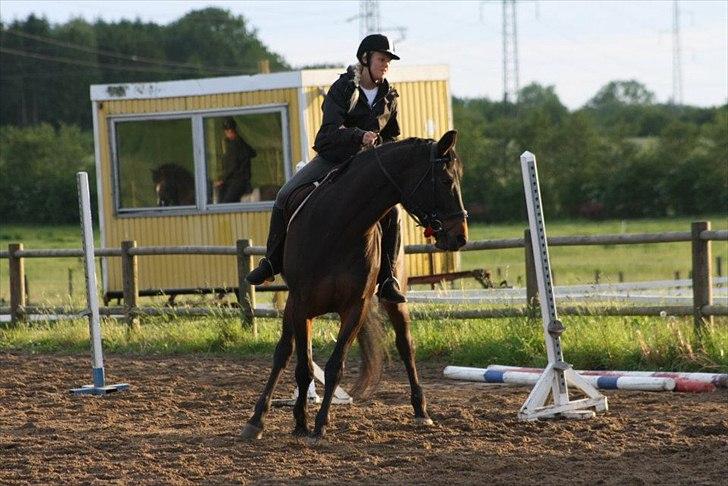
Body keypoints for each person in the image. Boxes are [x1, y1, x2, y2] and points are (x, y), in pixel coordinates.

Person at [246, 33, 407, 303]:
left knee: (394, 212)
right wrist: (359, 136)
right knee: (285, 194)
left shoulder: (390, 96)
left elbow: (392, 136)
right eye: (382, 59)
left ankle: (388, 278)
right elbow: (329, 131)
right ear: (365, 59)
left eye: (388, 60)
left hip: (366, 168)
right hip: (333, 158)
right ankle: (272, 262)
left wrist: (384, 149)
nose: (386, 64)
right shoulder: (343, 88)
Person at [215, 117, 257, 203]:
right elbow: (252, 153)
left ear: (229, 131)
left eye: (227, 131)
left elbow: (232, 166)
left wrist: (222, 179)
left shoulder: (235, 145)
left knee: (224, 204)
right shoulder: (240, 142)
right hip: (237, 180)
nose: (226, 134)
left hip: (238, 182)